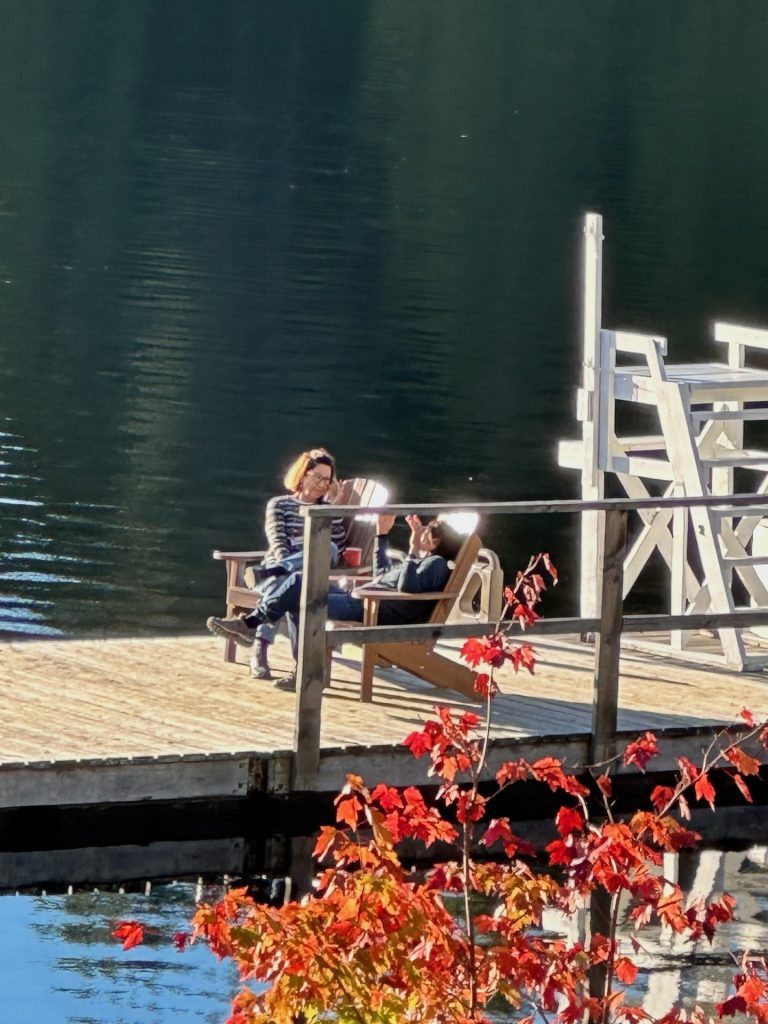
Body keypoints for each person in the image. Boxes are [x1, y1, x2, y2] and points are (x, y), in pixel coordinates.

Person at [206, 514, 465, 689]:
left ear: (438, 541)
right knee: (300, 579)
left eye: (428, 531)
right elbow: (382, 575)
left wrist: (412, 551)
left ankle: (253, 626)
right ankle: (256, 629)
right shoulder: (425, 561)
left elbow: (406, 587)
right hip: (364, 599)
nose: (421, 533)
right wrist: (382, 535)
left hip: (373, 610)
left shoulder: (437, 564)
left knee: (298, 590)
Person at [241, 448, 349, 681]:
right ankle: (276, 657)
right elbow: (278, 541)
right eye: (318, 477)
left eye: (327, 480)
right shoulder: (279, 504)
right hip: (285, 568)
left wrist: (333, 508)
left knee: (326, 549)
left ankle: (259, 646)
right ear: (303, 474)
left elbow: (338, 546)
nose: (322, 484)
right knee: (289, 583)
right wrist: (289, 565)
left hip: (308, 570)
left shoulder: (327, 509)